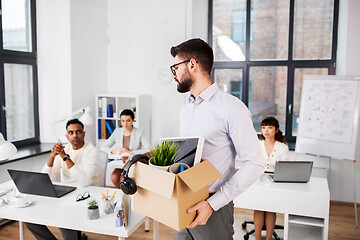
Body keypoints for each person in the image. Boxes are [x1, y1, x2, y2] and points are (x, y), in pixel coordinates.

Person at [170, 38, 265, 240]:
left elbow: (256, 162)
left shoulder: (232, 108)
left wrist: (212, 204)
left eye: (175, 68)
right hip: (183, 205)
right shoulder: (185, 110)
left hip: (213, 208)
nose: (174, 75)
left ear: (192, 64)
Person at [25, 118, 100, 240]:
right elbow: (46, 178)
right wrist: (52, 157)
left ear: (84, 133)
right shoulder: (64, 150)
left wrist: (65, 157)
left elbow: (84, 181)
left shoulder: (92, 151)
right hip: (66, 194)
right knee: (29, 217)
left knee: (65, 218)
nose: (75, 135)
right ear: (67, 135)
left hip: (86, 194)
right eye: (71, 133)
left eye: (78, 132)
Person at [254, 116, 289, 240]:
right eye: (263, 127)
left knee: (270, 208)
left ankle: (269, 238)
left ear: (277, 130)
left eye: (270, 127)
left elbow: (284, 168)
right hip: (258, 179)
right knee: (258, 207)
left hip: (275, 180)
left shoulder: (282, 147)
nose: (266, 130)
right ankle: (257, 238)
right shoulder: (257, 145)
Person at [102, 109, 150, 188]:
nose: (125, 124)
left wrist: (130, 152)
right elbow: (104, 147)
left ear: (133, 120)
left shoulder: (140, 132)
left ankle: (126, 194)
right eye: (123, 121)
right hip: (121, 162)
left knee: (122, 179)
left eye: (128, 120)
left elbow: (148, 149)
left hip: (132, 162)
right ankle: (123, 194)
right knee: (114, 177)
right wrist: (114, 151)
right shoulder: (117, 131)